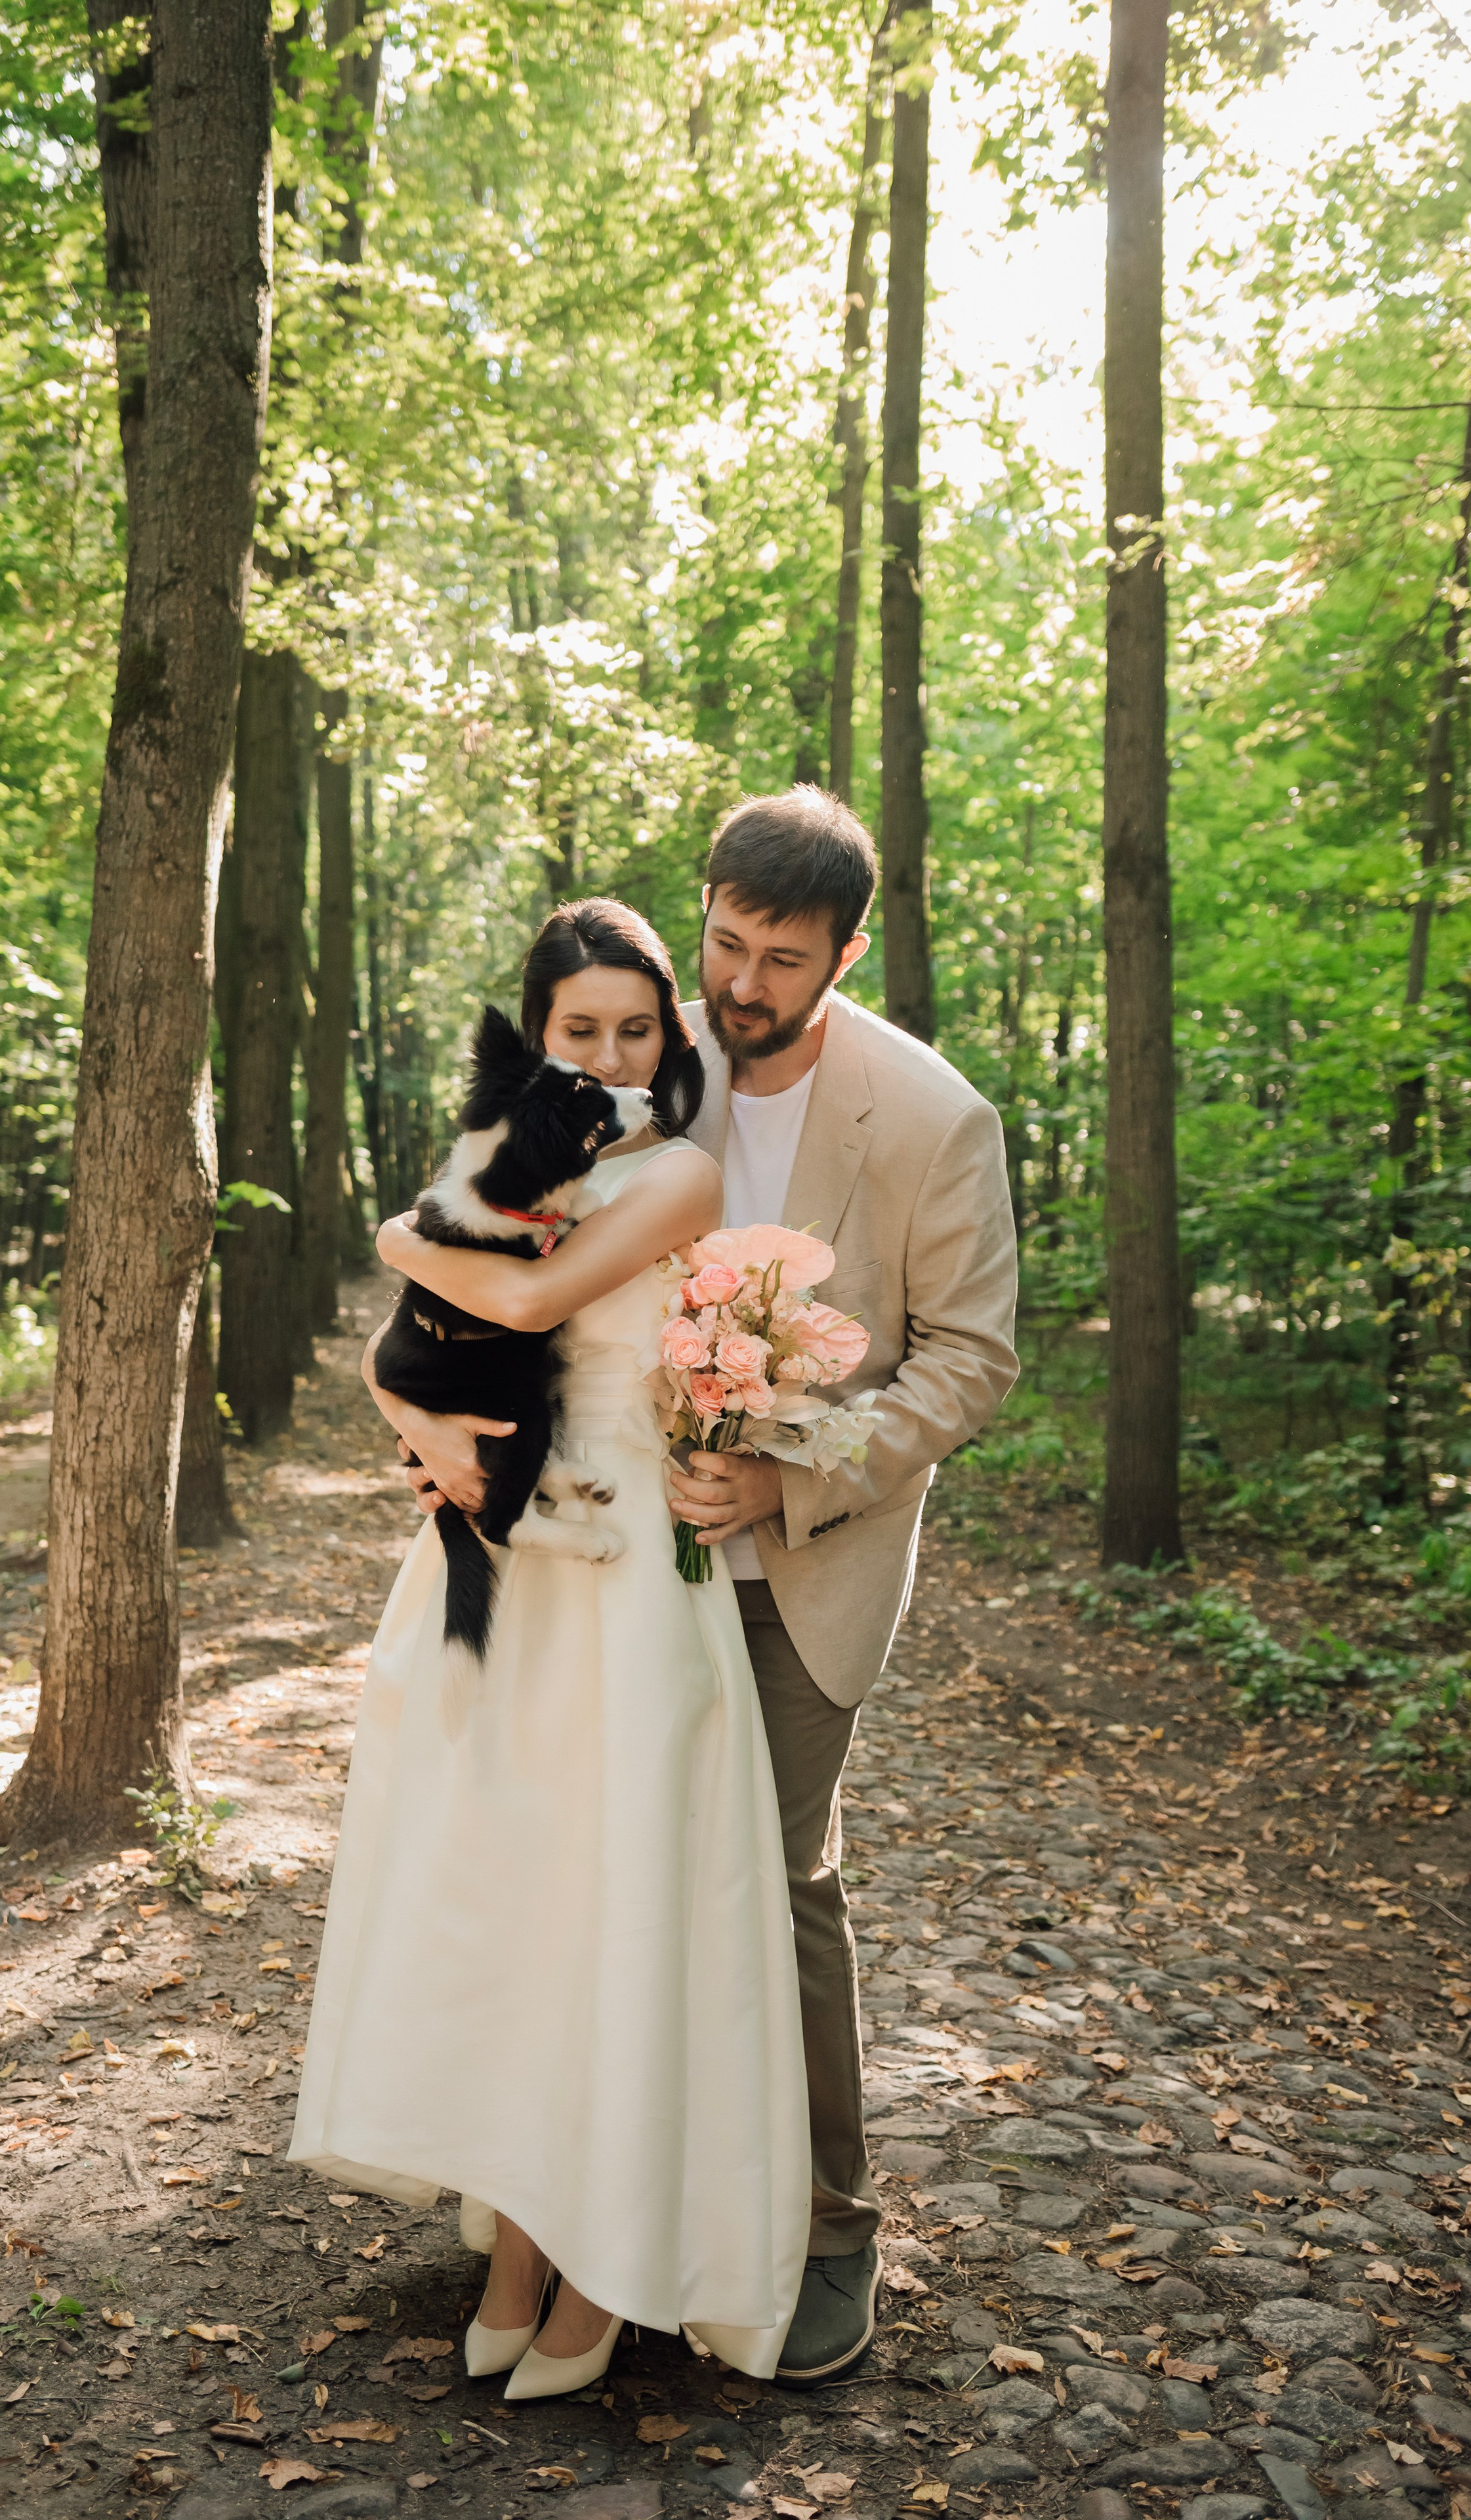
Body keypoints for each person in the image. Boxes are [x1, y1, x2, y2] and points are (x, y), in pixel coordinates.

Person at [289, 897, 811, 2401]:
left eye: (636, 1028)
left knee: (616, 1900)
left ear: (669, 1038)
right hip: (487, 1546)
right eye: (577, 1029)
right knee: (510, 1904)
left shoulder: (677, 1173)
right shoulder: (517, 1161)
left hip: (629, 1555)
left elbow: (515, 1297)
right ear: (537, 1037)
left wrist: (389, 1228)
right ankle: (516, 2240)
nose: (609, 1051)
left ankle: (605, 2264)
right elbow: (417, 1356)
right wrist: (418, 1430)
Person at [665, 787, 1019, 2383]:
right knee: (626, 1871)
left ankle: (830, 2225)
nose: (736, 986)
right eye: (724, 941)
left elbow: (969, 1361)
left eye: (776, 960)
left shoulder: (930, 1116)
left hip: (808, 1566)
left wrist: (790, 1469)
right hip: (622, 1563)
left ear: (845, 954)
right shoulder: (634, 1058)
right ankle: (622, 2196)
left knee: (780, 1882)